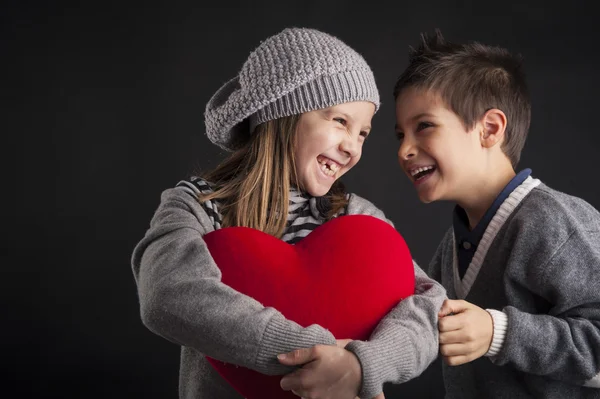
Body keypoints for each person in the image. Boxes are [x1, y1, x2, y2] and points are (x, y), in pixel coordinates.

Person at [131, 27, 446, 399]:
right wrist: (313, 355)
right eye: (340, 121)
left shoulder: (356, 218)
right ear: (283, 115)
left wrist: (362, 364)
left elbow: (429, 302)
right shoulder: (196, 206)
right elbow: (166, 291)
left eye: (363, 133)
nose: (352, 147)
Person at [393, 29, 600, 398]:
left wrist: (499, 332)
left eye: (423, 126)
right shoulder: (450, 249)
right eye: (400, 135)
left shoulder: (555, 223)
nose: (405, 150)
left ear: (489, 129)